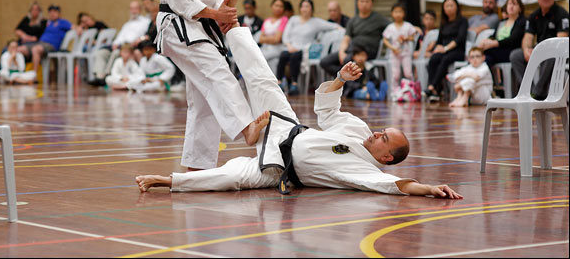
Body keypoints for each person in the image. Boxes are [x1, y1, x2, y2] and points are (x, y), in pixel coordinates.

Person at [135, 25, 462, 200]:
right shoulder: (358, 129)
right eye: (383, 130)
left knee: (231, 178)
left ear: (387, 157)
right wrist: (339, 79)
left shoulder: (368, 173)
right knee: (265, 80)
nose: (377, 133)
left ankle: (166, 180)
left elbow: (399, 186)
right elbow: (328, 110)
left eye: (384, 138)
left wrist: (430, 188)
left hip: (278, 168)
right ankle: (232, 26)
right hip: (286, 128)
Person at [153, 0, 263, 170]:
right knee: (217, 70)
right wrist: (217, 15)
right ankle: (247, 126)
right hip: (176, 25)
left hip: (203, 26)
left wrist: (225, 12)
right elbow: (179, 0)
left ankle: (197, 166)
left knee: (204, 98)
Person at [509, 0, 569, 99]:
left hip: (557, 52)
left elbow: (561, 40)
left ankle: (538, 93)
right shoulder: (534, 16)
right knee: (516, 55)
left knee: (551, 56)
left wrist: (542, 51)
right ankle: (528, 91)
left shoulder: (562, 14)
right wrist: (527, 49)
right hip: (539, 49)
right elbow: (528, 37)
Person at [277, 0, 341, 95]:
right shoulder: (294, 19)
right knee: (283, 55)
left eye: (307, 6)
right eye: (302, 6)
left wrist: (342, 29)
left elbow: (331, 25)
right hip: (291, 47)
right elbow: (286, 35)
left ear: (311, 9)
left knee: (295, 56)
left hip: (304, 49)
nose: (304, 9)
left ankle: (294, 84)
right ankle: (279, 82)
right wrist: (289, 45)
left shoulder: (316, 22)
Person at [320, 0, 390, 78]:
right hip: (352, 50)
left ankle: (351, 84)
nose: (364, 4)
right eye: (362, 1)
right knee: (325, 62)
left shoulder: (379, 19)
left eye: (367, 1)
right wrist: (342, 52)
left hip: (368, 51)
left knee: (348, 61)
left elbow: (394, 28)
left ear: (372, 3)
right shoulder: (353, 20)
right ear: (357, 3)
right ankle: (349, 80)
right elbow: (346, 39)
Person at [90, 1, 150, 86]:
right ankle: (99, 76)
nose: (133, 11)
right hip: (119, 46)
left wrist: (138, 40)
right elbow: (119, 37)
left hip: (130, 47)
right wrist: (115, 44)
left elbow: (146, 35)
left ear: (140, 10)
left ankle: (106, 75)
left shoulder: (145, 22)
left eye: (135, 8)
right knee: (101, 53)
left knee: (116, 53)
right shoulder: (127, 24)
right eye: (131, 9)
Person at [423, 0, 468, 102]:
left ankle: (432, 87)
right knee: (434, 59)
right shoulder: (444, 22)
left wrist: (446, 48)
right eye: (446, 6)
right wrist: (436, 48)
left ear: (457, 7)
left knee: (445, 59)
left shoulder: (463, 21)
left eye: (451, 5)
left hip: (457, 51)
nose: (449, 8)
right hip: (444, 50)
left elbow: (460, 39)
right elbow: (439, 40)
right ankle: (434, 90)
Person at [17, 4, 72, 74]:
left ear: (59, 13)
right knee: (20, 49)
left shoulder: (63, 22)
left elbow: (74, 28)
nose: (52, 13)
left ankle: (34, 76)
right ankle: (19, 73)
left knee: (35, 49)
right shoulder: (47, 22)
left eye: (55, 12)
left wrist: (80, 29)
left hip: (51, 45)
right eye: (50, 12)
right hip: (40, 43)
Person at [477, 0, 526, 68]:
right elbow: (493, 36)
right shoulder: (502, 22)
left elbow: (513, 40)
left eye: (514, 4)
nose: (511, 6)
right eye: (509, 4)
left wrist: (495, 43)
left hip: (511, 51)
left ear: (520, 9)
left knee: (483, 54)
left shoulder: (521, 21)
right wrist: (486, 41)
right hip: (496, 50)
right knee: (486, 57)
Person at [382, 2, 417, 91]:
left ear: (404, 13)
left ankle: (411, 90)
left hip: (406, 53)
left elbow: (414, 36)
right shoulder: (390, 27)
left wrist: (407, 38)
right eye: (396, 12)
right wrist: (392, 48)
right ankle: (395, 92)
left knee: (408, 73)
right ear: (392, 13)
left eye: (400, 12)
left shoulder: (408, 26)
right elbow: (385, 39)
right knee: (395, 75)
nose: (398, 14)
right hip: (394, 54)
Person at [259, 0, 289, 75]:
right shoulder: (267, 20)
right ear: (272, 6)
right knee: (272, 62)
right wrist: (272, 38)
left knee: (259, 58)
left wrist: (266, 38)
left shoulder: (284, 20)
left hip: (277, 48)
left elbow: (277, 39)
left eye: (281, 6)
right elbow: (260, 39)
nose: (278, 8)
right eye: (276, 5)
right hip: (265, 48)